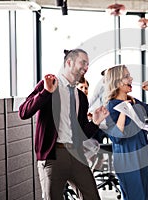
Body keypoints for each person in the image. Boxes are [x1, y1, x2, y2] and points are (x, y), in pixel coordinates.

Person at [18, 48, 109, 200]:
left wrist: (95, 122)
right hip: (53, 155)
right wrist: (45, 92)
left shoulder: (80, 96)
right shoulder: (49, 85)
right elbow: (23, 112)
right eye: (83, 62)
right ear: (69, 62)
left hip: (76, 154)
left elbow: (81, 134)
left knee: (92, 197)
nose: (86, 67)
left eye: (88, 64)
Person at [103, 64, 148, 200]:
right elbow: (116, 137)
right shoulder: (110, 106)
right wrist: (124, 110)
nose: (131, 79)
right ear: (117, 82)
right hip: (127, 159)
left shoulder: (134, 101)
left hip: (142, 156)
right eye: (126, 76)